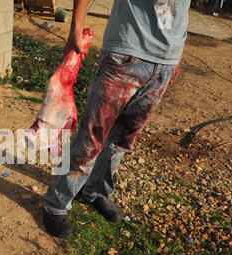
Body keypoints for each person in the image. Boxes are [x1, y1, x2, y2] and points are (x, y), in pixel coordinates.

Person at [42, 0, 190, 239]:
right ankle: (55, 204)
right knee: (92, 137)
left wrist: (176, 54)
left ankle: (95, 191)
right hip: (127, 51)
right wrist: (75, 29)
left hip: (166, 61)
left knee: (123, 138)